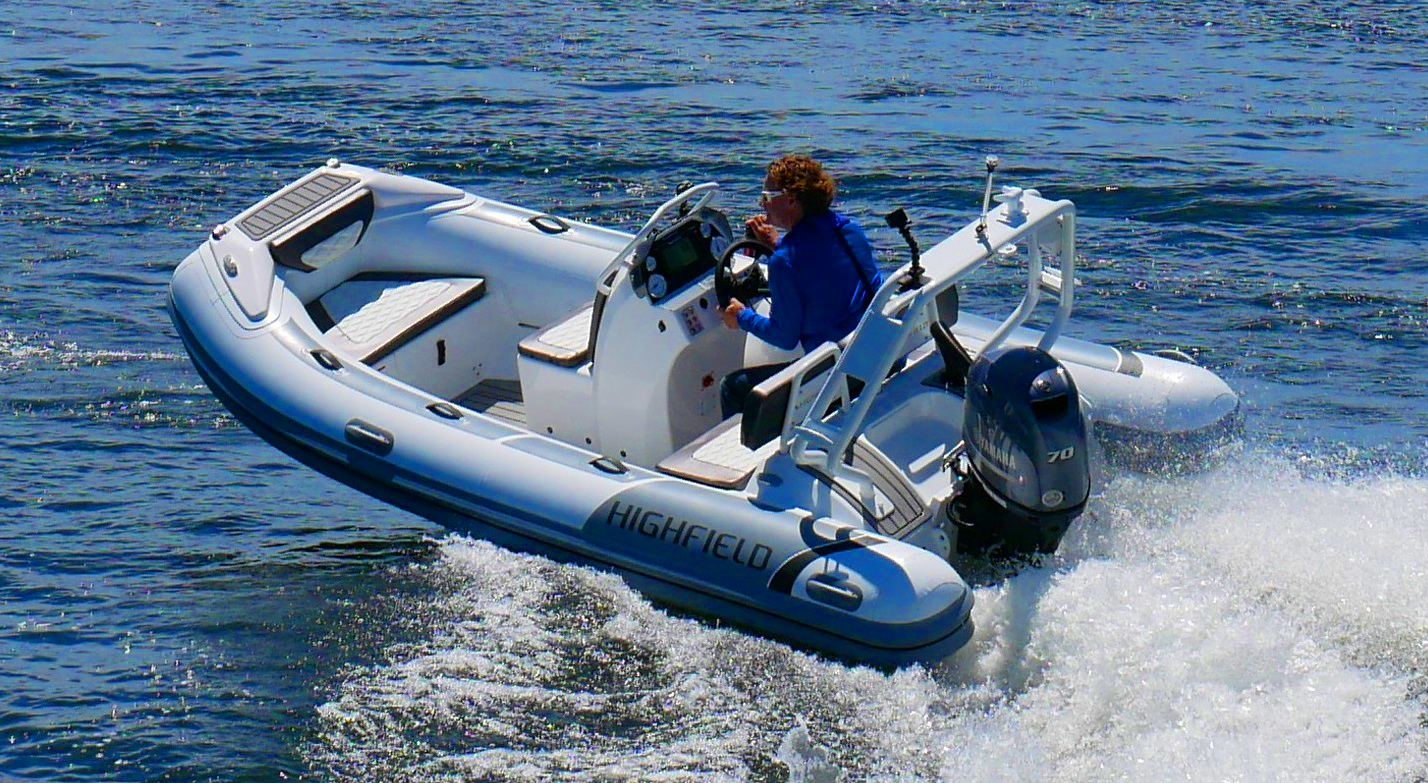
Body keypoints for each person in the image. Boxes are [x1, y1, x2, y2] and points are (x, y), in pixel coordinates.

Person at [719, 154, 882, 419]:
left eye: (767, 196)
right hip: (875, 353)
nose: (762, 203)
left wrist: (740, 317)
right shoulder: (850, 230)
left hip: (835, 375)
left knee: (733, 387)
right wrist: (777, 246)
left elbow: (785, 337)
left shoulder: (784, 263)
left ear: (791, 199)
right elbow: (820, 264)